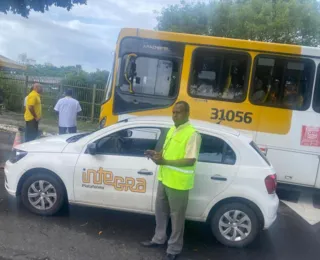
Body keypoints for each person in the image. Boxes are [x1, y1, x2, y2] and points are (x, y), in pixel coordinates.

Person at [141, 101, 201, 260]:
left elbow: (190, 160)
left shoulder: (192, 134)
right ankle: (159, 239)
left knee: (177, 217)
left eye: (178, 112)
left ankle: (174, 249)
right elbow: (167, 153)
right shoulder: (172, 130)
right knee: (160, 212)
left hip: (179, 184)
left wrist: (165, 162)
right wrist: (156, 154)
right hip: (165, 179)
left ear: (187, 113)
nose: (175, 115)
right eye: (173, 112)